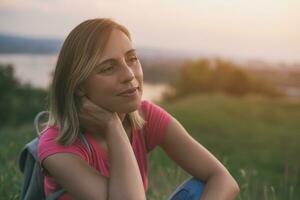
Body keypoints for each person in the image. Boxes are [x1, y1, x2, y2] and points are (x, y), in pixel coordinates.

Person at [37, 18, 240, 200]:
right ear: (79, 85)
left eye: (132, 59)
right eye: (108, 68)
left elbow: (224, 180)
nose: (129, 75)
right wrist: (112, 126)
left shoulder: (146, 116)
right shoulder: (57, 146)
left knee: (203, 187)